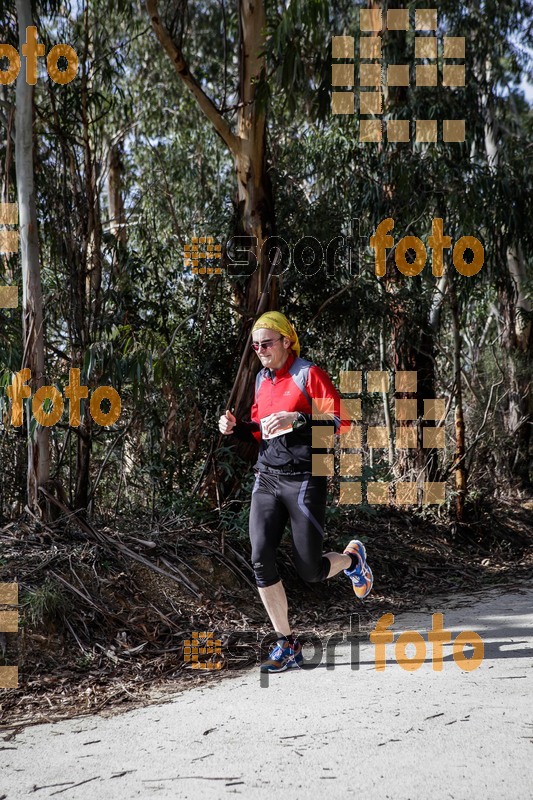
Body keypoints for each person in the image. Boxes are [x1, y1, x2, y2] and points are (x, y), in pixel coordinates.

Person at [218, 311, 373, 673]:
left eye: (267, 343)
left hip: (306, 477)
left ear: (287, 341)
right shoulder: (261, 378)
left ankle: (353, 560)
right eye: (256, 345)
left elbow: (343, 422)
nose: (260, 350)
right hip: (268, 477)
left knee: (310, 570)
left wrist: (298, 419)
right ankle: (286, 644)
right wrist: (235, 428)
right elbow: (260, 431)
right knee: (260, 558)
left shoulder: (308, 374)